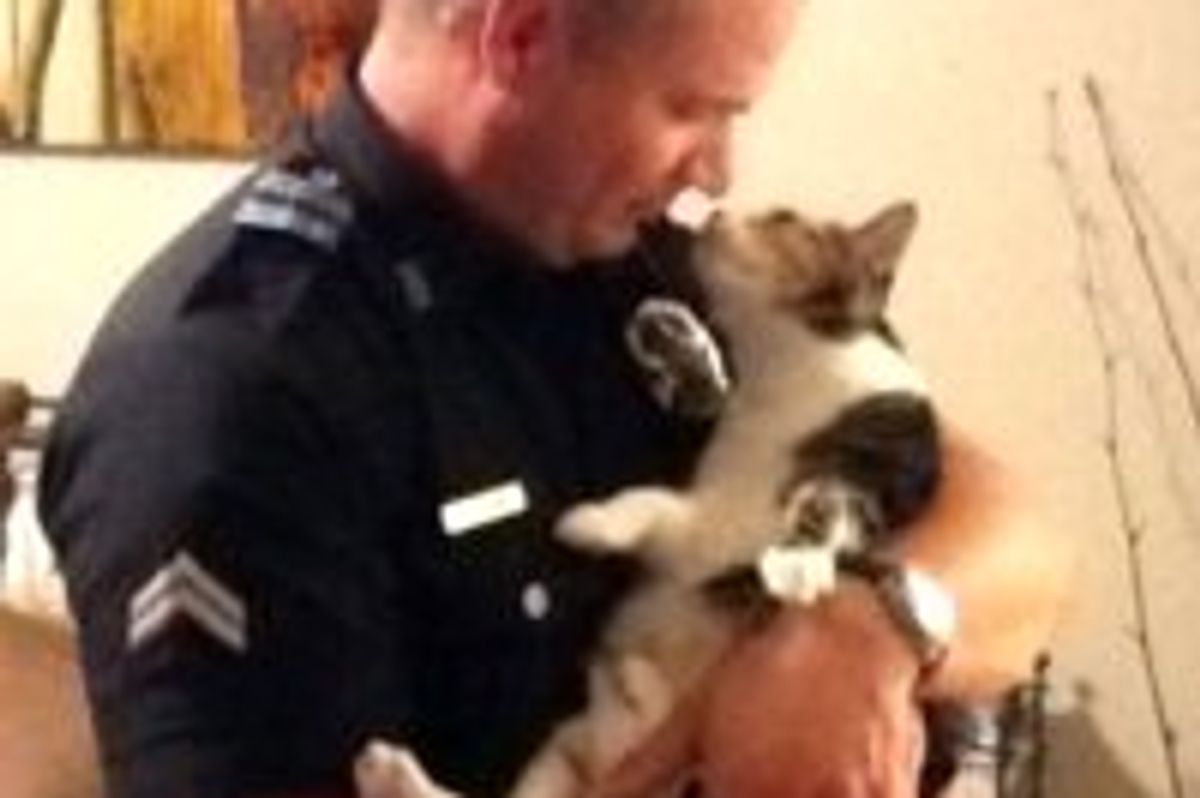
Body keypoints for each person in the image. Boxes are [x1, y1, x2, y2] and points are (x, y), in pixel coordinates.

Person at [38, 0, 1074, 797]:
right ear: (521, 35)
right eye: (691, 109)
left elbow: (1015, 536)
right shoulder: (233, 395)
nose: (716, 172)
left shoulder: (646, 262)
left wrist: (866, 628)